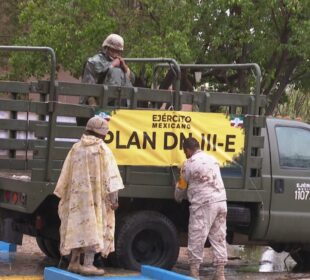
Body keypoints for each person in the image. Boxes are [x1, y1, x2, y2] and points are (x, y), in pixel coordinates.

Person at [54, 116, 124, 276]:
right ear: (102, 134)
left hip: (77, 198)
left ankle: (73, 262)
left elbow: (65, 174)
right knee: (94, 228)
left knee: (77, 227)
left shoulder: (76, 148)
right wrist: (114, 201)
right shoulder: (103, 150)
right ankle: (88, 264)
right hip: (96, 200)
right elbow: (111, 178)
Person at [175, 137, 227, 280]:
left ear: (187, 150)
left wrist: (177, 197)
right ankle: (220, 273)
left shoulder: (189, 164)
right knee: (219, 237)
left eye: (184, 151)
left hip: (204, 204)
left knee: (197, 237)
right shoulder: (212, 159)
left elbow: (181, 187)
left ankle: (194, 273)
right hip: (221, 202)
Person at [81, 33, 135, 106]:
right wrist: (112, 65)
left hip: (120, 102)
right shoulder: (94, 61)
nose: (115, 54)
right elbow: (88, 86)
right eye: (113, 50)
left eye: (118, 51)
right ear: (106, 48)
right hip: (100, 101)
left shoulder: (120, 63)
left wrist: (124, 67)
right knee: (116, 71)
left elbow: (131, 81)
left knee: (119, 72)